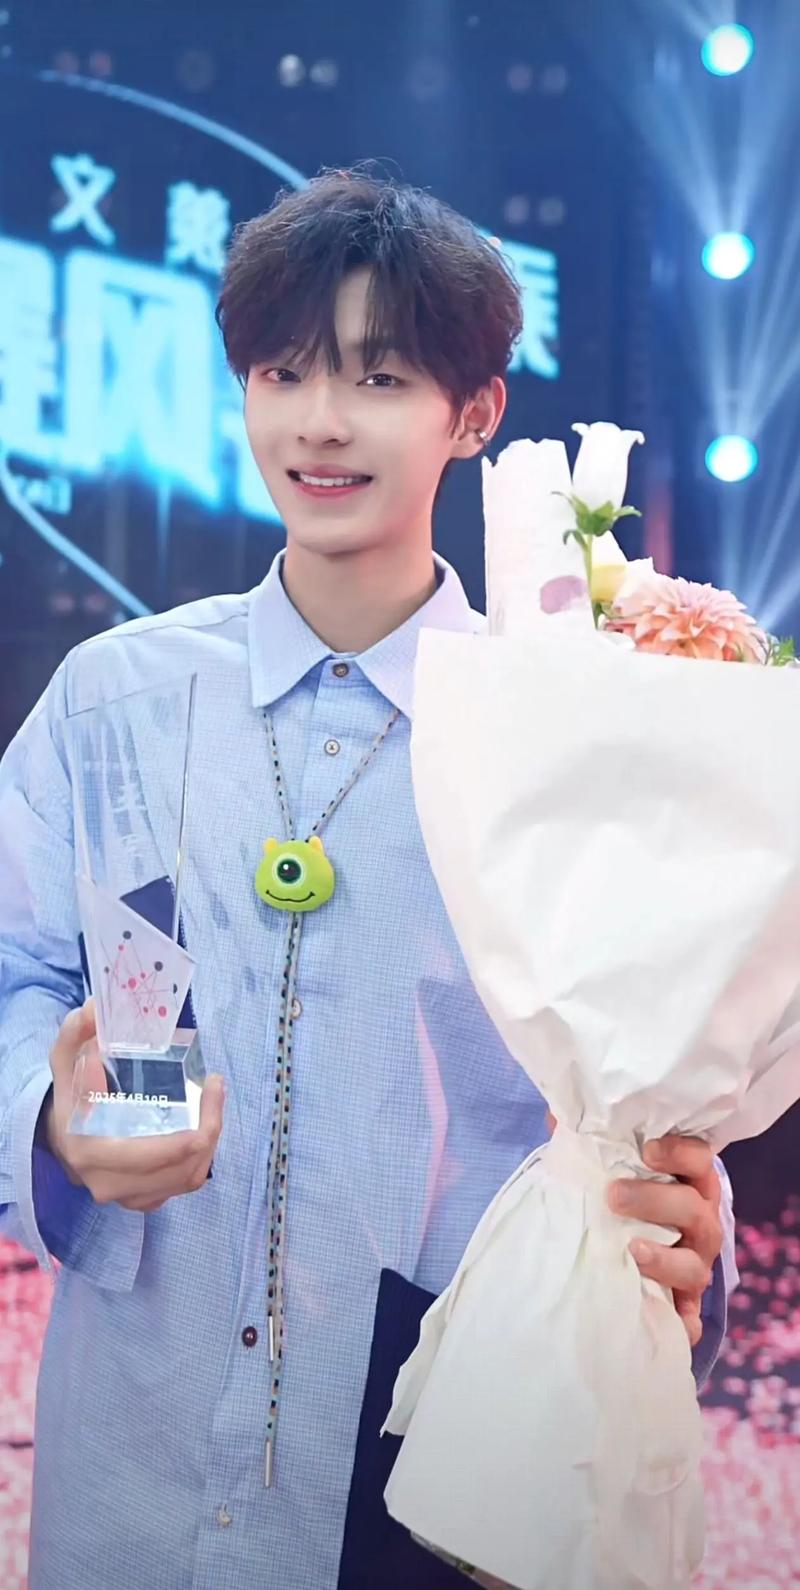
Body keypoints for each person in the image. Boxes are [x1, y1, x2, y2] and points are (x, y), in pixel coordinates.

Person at [0, 169, 734, 1590]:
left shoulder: (564, 734)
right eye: (283, 373)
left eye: (380, 378)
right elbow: (13, 969)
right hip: (136, 1460)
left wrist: (684, 1233)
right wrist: (48, 1113)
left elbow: (643, 1087)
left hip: (441, 1459)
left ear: (475, 413)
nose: (320, 422)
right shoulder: (115, 701)